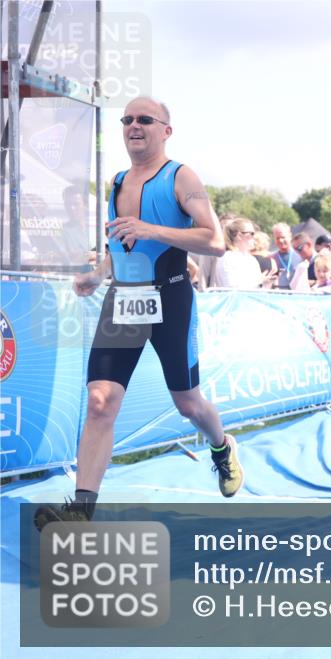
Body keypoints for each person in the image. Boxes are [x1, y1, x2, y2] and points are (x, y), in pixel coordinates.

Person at [34, 97, 243, 528]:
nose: (134, 125)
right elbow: (123, 243)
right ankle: (81, 511)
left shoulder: (182, 177)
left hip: (171, 299)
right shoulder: (116, 182)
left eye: (145, 119)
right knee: (99, 402)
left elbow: (215, 241)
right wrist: (98, 274)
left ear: (166, 130)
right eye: (127, 119)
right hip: (123, 300)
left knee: (188, 404)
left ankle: (222, 447)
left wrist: (153, 229)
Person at [215, 218, 276, 289]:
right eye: (252, 233)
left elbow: (258, 289)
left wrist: (266, 283)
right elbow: (230, 288)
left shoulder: (252, 260)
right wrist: (259, 281)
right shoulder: (227, 258)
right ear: (239, 236)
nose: (255, 237)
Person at [270, 223, 302, 289]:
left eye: (283, 237)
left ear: (290, 236)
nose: (280, 240)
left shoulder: (300, 256)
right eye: (277, 238)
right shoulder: (271, 258)